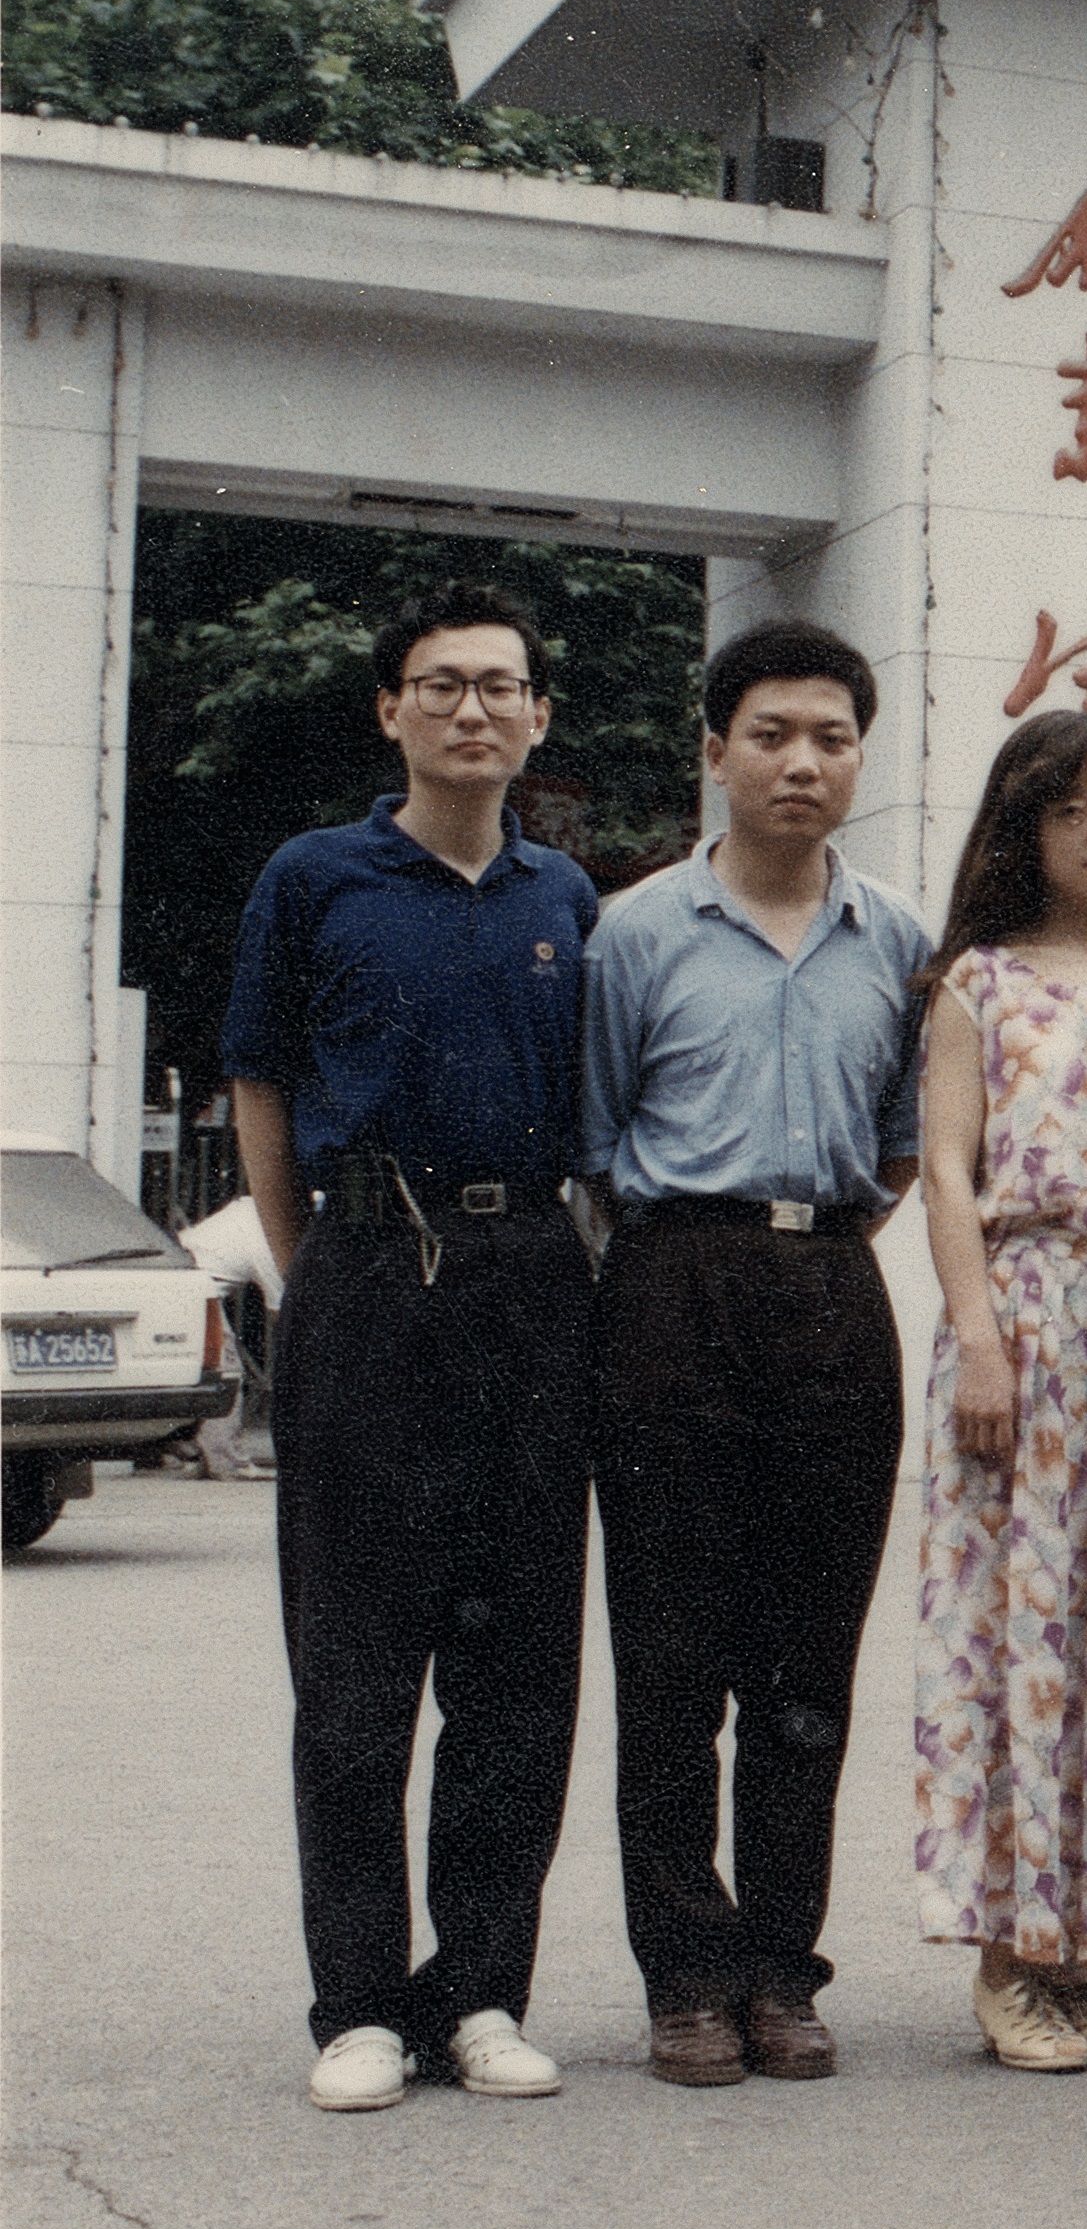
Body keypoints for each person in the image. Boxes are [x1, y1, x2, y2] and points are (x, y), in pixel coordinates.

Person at [222, 576, 599, 2113]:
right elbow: (258, 1083)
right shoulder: (315, 878)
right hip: (369, 1268)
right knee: (356, 1666)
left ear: (537, 718)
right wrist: (315, 1269)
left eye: (499, 686)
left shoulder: (565, 900)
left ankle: (483, 1992)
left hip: (530, 1278)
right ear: (392, 710)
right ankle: (360, 2006)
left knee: (518, 1668)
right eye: (440, 685)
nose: (471, 709)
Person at [580, 619, 931, 2089]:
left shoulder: (897, 940)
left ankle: (783, 1972)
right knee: (671, 1664)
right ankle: (685, 1976)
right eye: (772, 735)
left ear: (859, 759)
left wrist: (809, 1242)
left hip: (834, 1286)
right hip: (672, 1288)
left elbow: (903, 1145)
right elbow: (596, 1140)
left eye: (831, 738)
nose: (802, 762)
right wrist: (698, 1256)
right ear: (716, 751)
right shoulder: (635, 931)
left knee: (808, 1667)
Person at [910, 708, 1087, 2073]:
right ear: (1024, 827)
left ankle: (1084, 1955)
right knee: (1010, 1632)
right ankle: (1006, 1958)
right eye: (1072, 808)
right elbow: (947, 1170)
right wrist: (978, 1337)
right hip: (1018, 1316)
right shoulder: (979, 982)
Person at [182, 1194, 281, 1481]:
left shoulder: (251, 1210)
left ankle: (200, 1453)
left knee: (206, 1371)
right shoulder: (266, 1231)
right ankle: (228, 1462)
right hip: (193, 1285)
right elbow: (284, 1308)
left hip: (183, 1276)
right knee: (226, 1371)